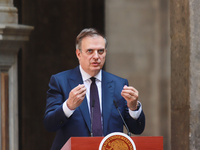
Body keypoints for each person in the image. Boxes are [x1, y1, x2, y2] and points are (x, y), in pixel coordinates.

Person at [44, 28, 145, 150]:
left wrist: (133, 108)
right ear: (78, 54)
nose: (96, 56)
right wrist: (69, 106)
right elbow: (49, 125)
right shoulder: (61, 82)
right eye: (90, 51)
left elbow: (136, 129)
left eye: (100, 51)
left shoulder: (119, 84)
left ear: (106, 53)